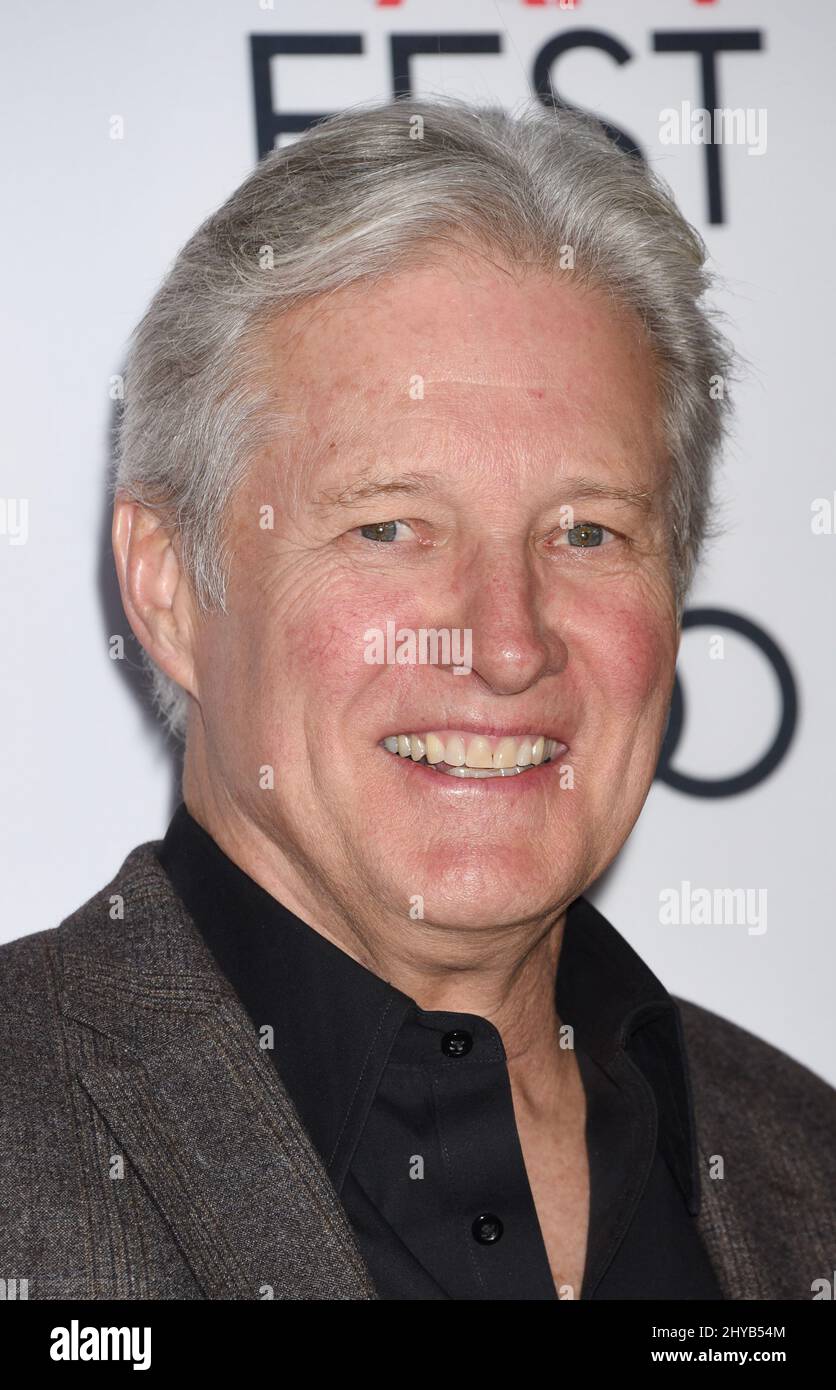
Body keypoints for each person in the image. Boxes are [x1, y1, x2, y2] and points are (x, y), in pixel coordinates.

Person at [2, 96, 833, 1301]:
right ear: (171, 587)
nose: (504, 644)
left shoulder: (801, 1165)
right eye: (389, 526)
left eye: (586, 531)